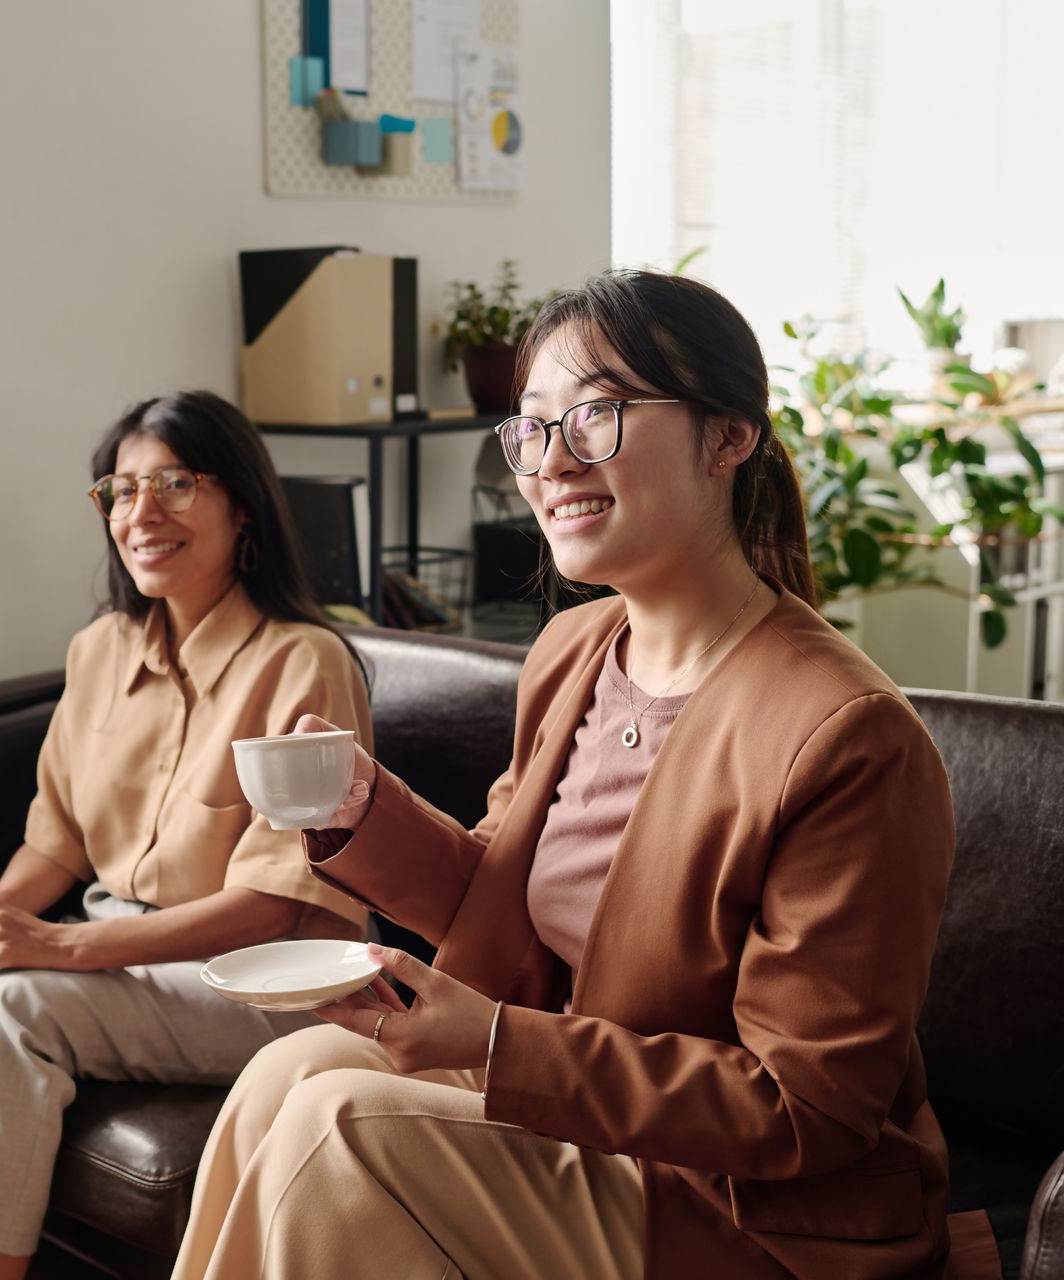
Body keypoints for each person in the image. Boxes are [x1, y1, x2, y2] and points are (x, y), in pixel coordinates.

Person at [173, 271, 957, 1279]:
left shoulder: (849, 737)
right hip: (595, 1127)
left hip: (746, 1208)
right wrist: (363, 807)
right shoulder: (575, 649)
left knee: (343, 1119)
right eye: (532, 427)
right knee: (294, 1067)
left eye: (596, 414)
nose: (550, 462)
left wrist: (503, 1045)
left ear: (730, 436)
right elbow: (505, 899)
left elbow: (804, 1108)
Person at [0, 391, 373, 1280]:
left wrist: (64, 945)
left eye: (175, 483)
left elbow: (270, 909)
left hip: (261, 984)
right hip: (122, 955)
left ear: (242, 504)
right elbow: (56, 845)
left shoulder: (304, 662)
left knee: (21, 1002)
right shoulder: (99, 651)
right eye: (122, 490)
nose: (143, 513)